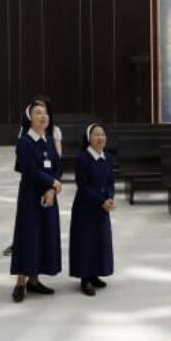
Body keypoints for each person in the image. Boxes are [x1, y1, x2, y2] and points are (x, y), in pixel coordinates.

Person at [10, 101, 62, 302]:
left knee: (43, 235)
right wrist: (53, 183)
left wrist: (51, 189)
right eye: (38, 113)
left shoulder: (49, 141)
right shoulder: (24, 142)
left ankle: (34, 279)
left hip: (48, 196)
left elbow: (56, 165)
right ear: (30, 118)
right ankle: (21, 281)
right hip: (30, 196)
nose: (43, 116)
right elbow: (29, 170)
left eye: (45, 113)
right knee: (28, 235)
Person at [69, 124, 115, 297]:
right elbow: (83, 185)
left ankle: (95, 273)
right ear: (89, 138)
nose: (100, 137)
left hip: (103, 207)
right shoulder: (83, 159)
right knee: (86, 242)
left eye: (103, 134)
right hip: (85, 207)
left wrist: (110, 198)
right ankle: (85, 278)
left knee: (100, 240)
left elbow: (111, 181)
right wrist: (101, 201)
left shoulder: (107, 158)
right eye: (96, 134)